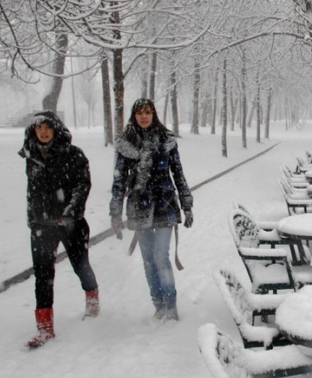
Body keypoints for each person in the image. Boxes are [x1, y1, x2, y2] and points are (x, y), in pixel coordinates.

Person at [18, 110, 99, 349]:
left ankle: (92, 298)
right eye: (38, 128)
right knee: (43, 276)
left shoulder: (73, 155)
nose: (43, 132)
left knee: (80, 266)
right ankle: (44, 329)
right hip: (42, 227)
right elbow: (31, 192)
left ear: (55, 129)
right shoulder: (31, 156)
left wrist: (70, 213)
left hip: (71, 225)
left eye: (47, 127)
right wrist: (33, 219)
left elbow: (83, 185)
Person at [110, 98, 193, 321]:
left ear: (153, 114)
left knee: (161, 256)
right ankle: (158, 304)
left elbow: (178, 173)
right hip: (139, 206)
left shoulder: (166, 140)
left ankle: (171, 304)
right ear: (134, 116)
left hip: (165, 204)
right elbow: (119, 181)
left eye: (147, 112)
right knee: (148, 258)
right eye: (139, 113)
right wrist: (115, 213)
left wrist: (187, 204)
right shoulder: (126, 144)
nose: (144, 116)